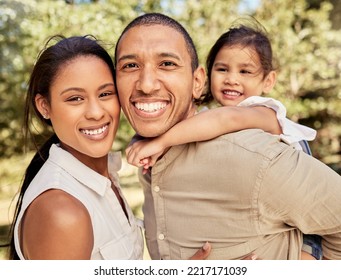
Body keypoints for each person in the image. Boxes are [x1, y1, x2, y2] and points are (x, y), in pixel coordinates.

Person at [115, 13, 341, 260]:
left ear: (197, 81)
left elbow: (226, 120)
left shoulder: (254, 141)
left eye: (167, 63)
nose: (146, 85)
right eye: (130, 65)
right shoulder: (151, 160)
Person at [7, 34, 212, 261]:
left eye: (105, 94)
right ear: (45, 106)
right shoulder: (61, 211)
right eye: (75, 99)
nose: (96, 112)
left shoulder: (103, 177)